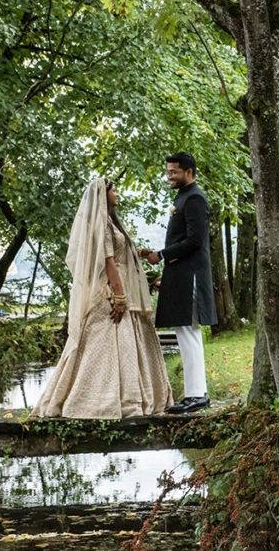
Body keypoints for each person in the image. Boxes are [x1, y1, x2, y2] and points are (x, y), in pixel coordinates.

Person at [32, 179, 173, 419]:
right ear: (102, 195)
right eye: (114, 190)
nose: (118, 193)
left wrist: (139, 256)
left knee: (121, 347)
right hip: (110, 293)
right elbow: (109, 264)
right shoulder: (100, 224)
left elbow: (119, 256)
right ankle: (101, 401)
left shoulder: (110, 221)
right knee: (101, 347)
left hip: (120, 289)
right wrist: (119, 297)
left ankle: (127, 399)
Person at [142, 152, 216, 414]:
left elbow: (195, 241)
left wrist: (162, 255)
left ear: (188, 171)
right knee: (186, 332)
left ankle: (197, 395)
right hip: (181, 274)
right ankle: (195, 392)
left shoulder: (194, 197)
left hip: (191, 276)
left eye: (173, 172)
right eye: (168, 172)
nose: (169, 176)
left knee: (189, 332)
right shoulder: (183, 196)